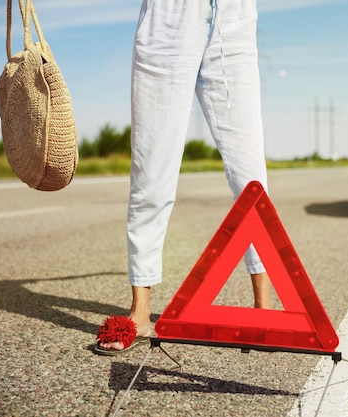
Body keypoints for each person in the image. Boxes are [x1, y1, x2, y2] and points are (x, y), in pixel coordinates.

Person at [96, 0, 272, 355]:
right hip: (168, 18)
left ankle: (264, 308)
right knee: (152, 172)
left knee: (250, 174)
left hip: (234, 18)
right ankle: (141, 312)